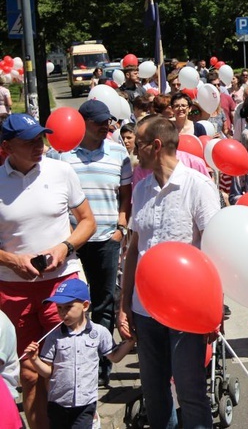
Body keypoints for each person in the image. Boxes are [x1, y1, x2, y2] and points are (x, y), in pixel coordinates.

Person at [118, 115, 221, 428]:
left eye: (138, 141)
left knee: (190, 391)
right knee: (154, 391)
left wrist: (214, 308)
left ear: (156, 145)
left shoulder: (198, 186)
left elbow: (216, 249)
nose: (134, 149)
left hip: (186, 311)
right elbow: (135, 247)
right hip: (145, 308)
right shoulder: (141, 189)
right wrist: (125, 303)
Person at [0, 113, 96, 429]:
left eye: (40, 138)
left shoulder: (61, 171)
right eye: (28, 141)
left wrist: (64, 248)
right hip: (13, 289)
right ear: (6, 147)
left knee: (70, 368)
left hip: (63, 284)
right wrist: (12, 260)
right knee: (29, 372)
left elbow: (87, 221)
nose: (38, 146)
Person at [46, 99, 132, 387]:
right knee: (71, 302)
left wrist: (120, 228)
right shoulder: (61, 156)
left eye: (108, 121)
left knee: (104, 302)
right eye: (98, 123)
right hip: (71, 242)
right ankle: (70, 359)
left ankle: (101, 364)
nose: (106, 126)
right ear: (82, 124)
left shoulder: (119, 154)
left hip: (107, 238)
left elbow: (125, 196)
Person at [23, 279, 134, 429]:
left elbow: (115, 357)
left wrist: (130, 342)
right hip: (58, 403)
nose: (62, 313)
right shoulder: (53, 336)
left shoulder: (98, 333)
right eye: (59, 308)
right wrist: (34, 359)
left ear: (85, 306)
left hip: (85, 403)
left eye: (68, 307)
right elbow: (48, 372)